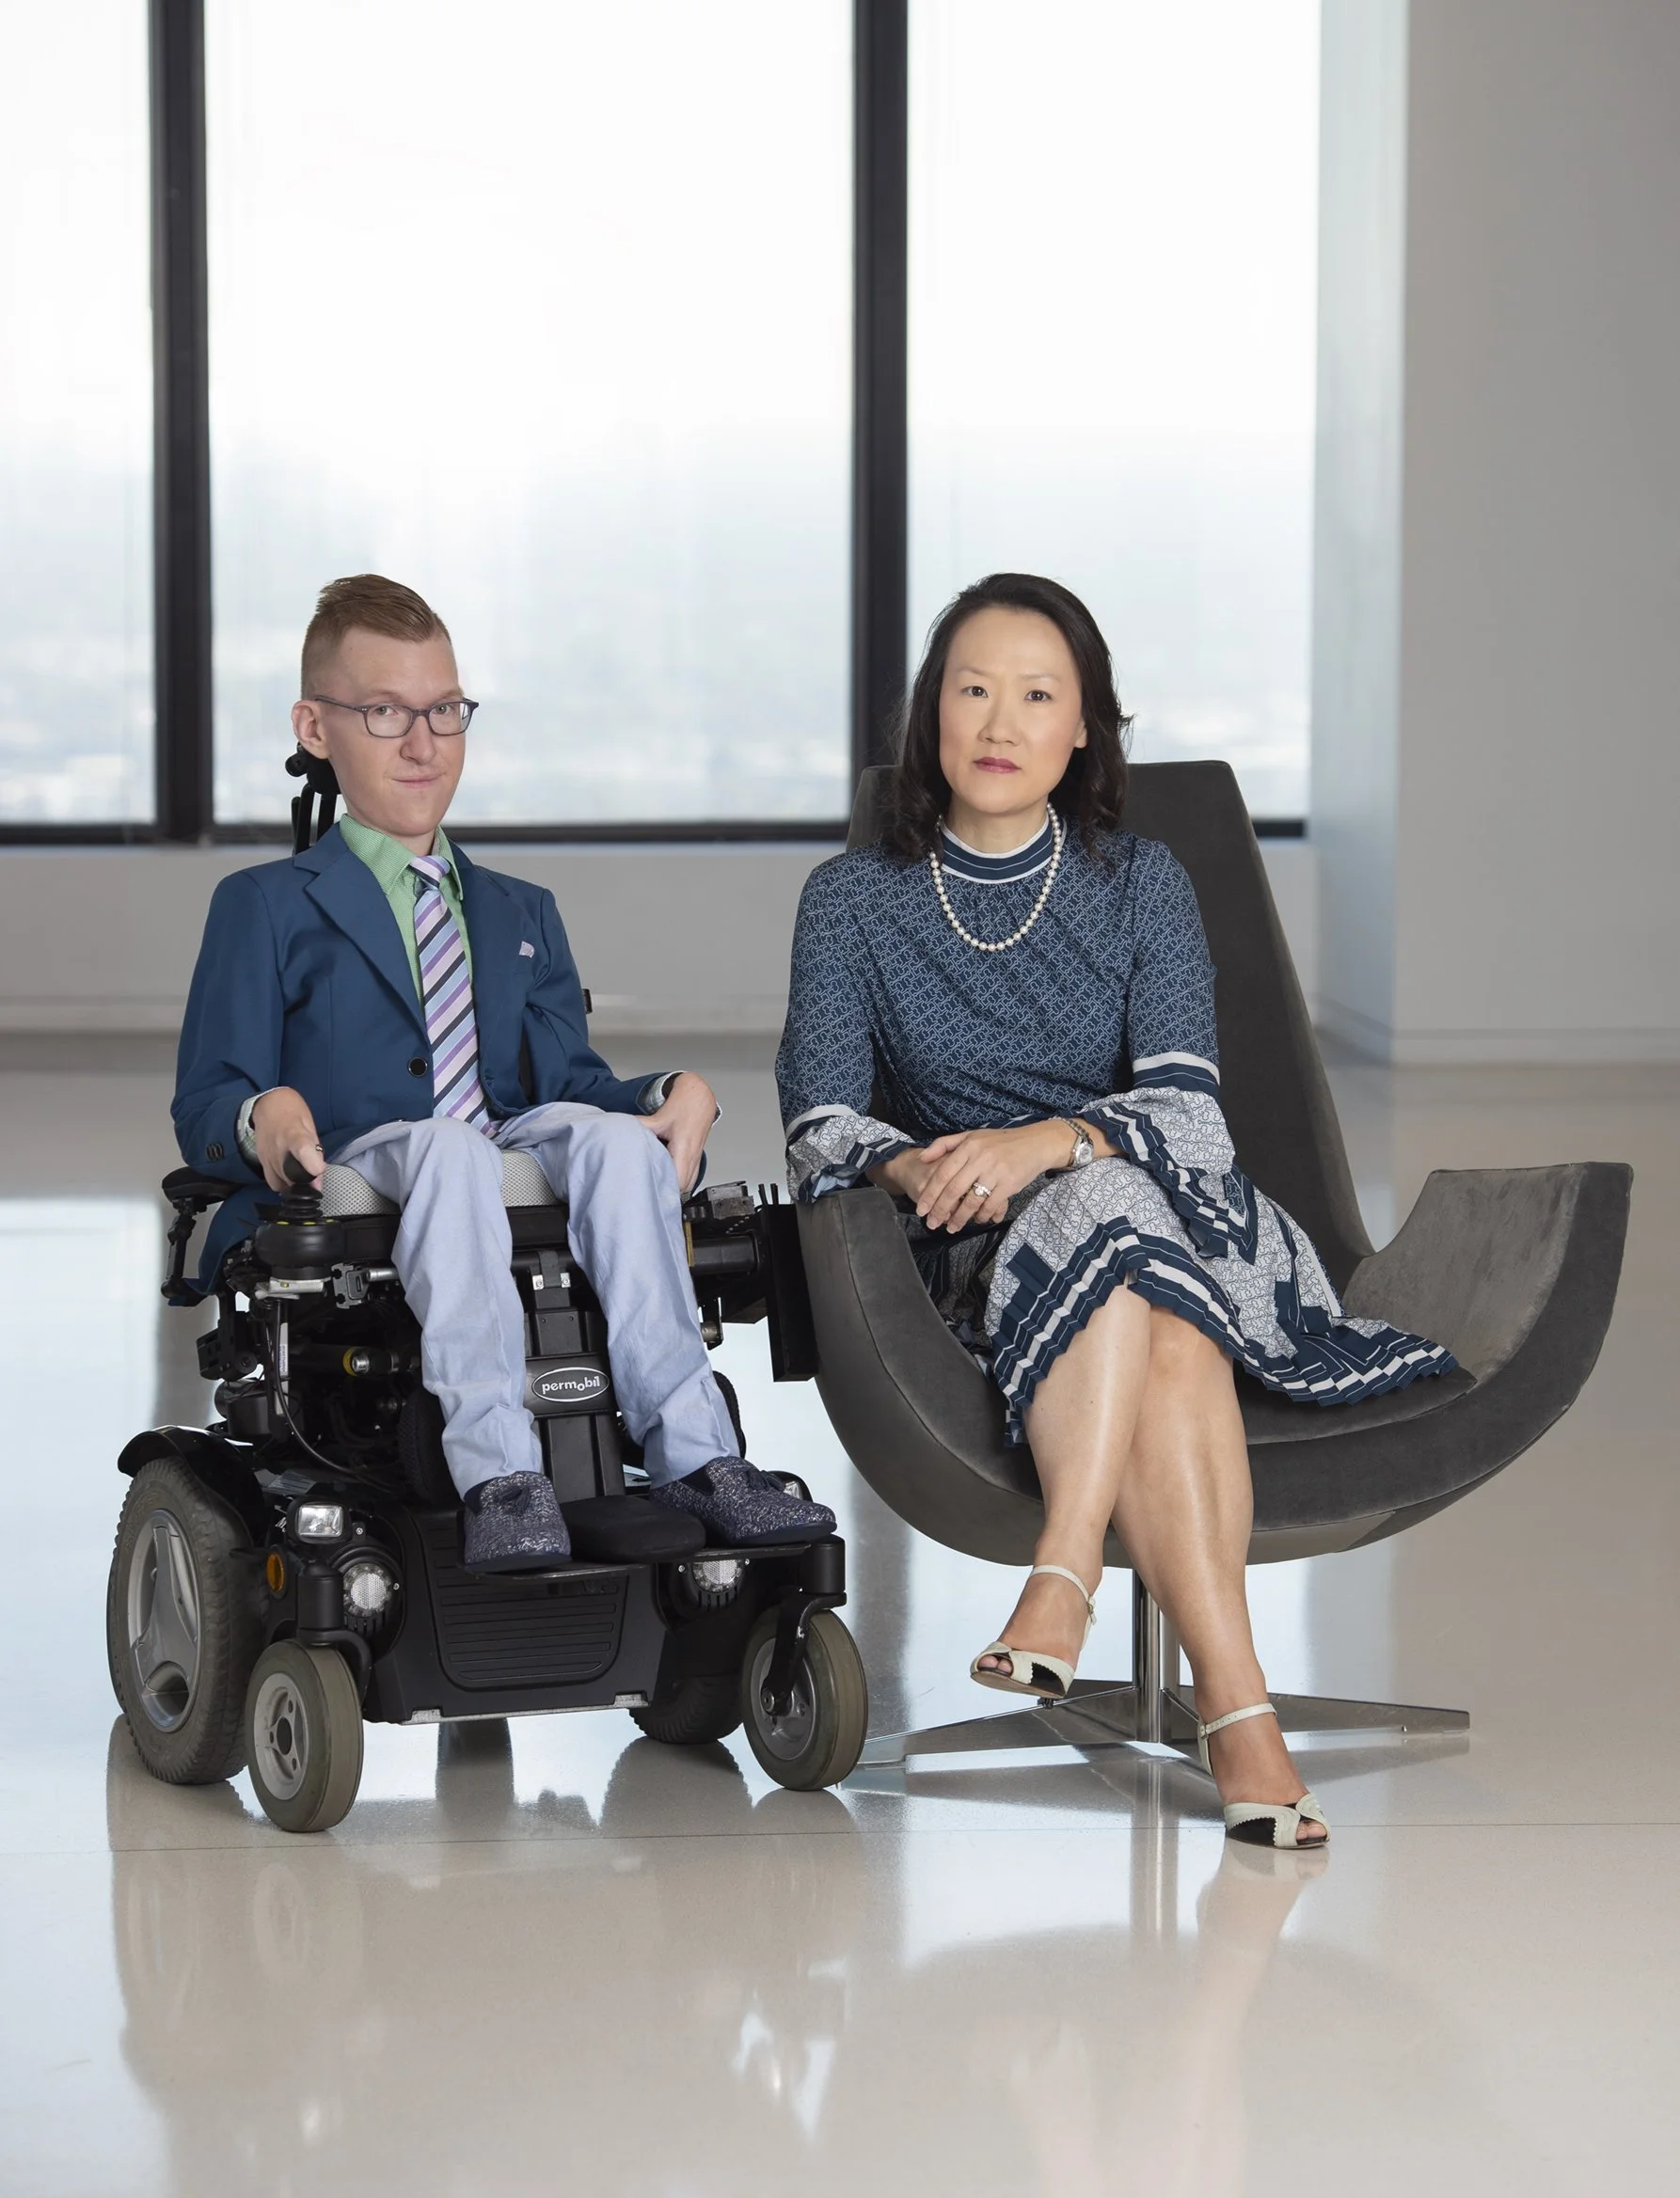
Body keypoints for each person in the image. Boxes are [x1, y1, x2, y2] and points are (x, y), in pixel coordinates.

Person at [776, 573, 1455, 1847]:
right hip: (982, 1251)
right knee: (1168, 1332)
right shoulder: (851, 900)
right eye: (973, 689)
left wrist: (1048, 1142)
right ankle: (1237, 1716)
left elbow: (1190, 1115)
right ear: (931, 714)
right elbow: (818, 1122)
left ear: (1082, 726)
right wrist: (910, 1170)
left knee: (1110, 1199)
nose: (1001, 721)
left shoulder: (1140, 880)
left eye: (1038, 696)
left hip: (1187, 1222)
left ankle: (1066, 1570)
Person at [174, 573, 834, 1573]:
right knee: (448, 1150)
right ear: (315, 727)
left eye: (444, 710)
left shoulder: (520, 911)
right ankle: (501, 1475)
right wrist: (261, 1111)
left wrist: (665, 1096)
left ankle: (699, 1456)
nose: (423, 743)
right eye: (385, 711)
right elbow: (208, 1098)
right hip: (368, 1153)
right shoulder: (265, 904)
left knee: (615, 1146)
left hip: (499, 1132)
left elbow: (568, 1079)